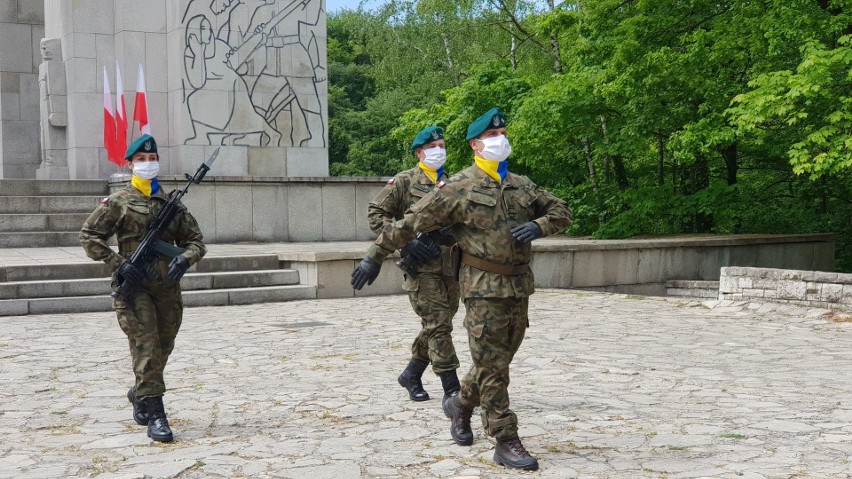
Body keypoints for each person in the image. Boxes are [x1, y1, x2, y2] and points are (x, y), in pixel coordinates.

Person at [352, 108, 572, 471]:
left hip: (519, 286)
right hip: (482, 289)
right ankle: (504, 438)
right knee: (494, 367)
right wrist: (374, 255)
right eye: (492, 136)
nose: (500, 139)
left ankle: (459, 404)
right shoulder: (458, 187)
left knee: (494, 362)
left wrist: (540, 225)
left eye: (502, 133)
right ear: (475, 144)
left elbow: (562, 211)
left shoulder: (521, 184)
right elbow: (411, 222)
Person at [79, 135, 207, 443]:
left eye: (152, 159)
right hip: (134, 288)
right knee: (147, 347)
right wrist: (119, 263)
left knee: (163, 346)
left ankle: (140, 392)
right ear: (130, 164)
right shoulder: (119, 202)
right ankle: (157, 415)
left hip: (167, 288)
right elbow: (89, 236)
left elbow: (196, 242)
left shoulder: (171, 205)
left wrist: (185, 259)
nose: (148, 164)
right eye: (141, 160)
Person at [367, 126, 462, 403]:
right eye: (434, 147)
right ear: (420, 152)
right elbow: (376, 214)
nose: (439, 151)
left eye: (443, 145)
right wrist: (405, 242)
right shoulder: (404, 181)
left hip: (451, 265)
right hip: (421, 267)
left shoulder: (454, 182)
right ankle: (452, 390)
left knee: (437, 325)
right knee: (439, 324)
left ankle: (411, 374)